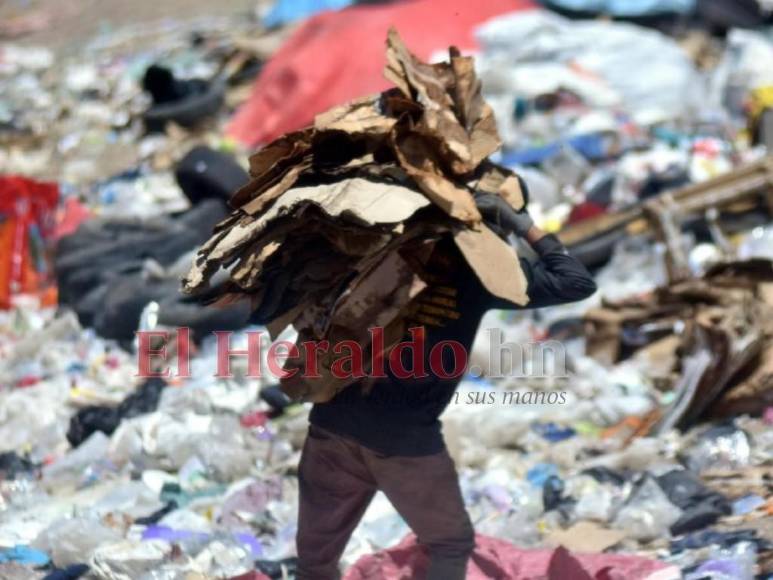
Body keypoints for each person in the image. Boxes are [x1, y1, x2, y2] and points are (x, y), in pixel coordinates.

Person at [290, 189, 598, 580]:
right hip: (403, 444)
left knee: (314, 563)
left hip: (332, 428)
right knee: (450, 545)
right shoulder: (480, 276)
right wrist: (523, 225)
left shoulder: (375, 257)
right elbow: (576, 282)